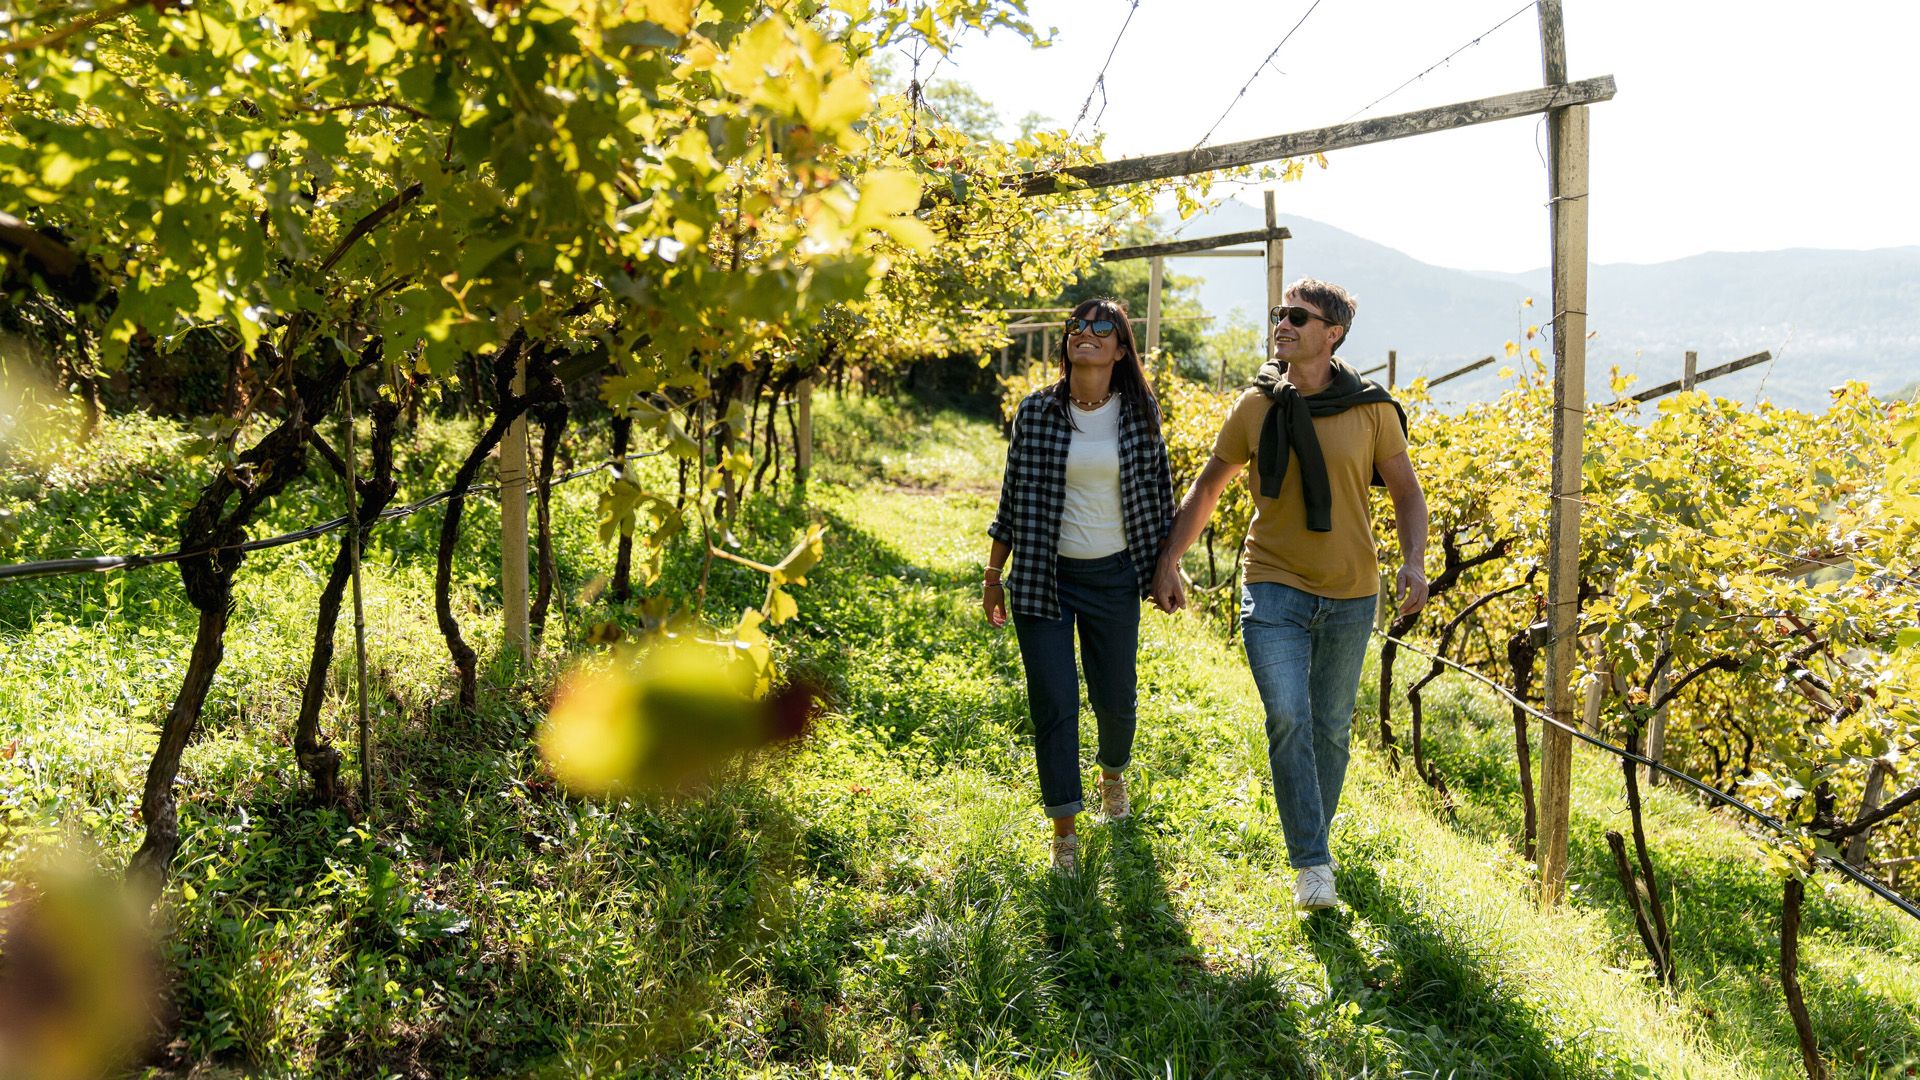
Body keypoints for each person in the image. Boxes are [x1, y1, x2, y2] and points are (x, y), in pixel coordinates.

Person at [1151, 278, 1428, 910]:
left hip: (1353, 592)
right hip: (1272, 582)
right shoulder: (1256, 405)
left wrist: (1414, 561)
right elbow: (1209, 486)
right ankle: (1312, 864)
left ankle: (1313, 845)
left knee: (1330, 728)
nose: (1284, 323)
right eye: (1281, 313)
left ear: (1332, 334)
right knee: (1289, 717)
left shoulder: (1372, 409)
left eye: (1299, 317)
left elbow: (1407, 492)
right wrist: (1171, 558)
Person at [984, 296, 1176, 872]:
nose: (1085, 333)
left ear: (1120, 349)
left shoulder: (1141, 413)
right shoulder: (1036, 412)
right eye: (1077, 326)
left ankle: (1111, 772)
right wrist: (995, 575)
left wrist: (1169, 566)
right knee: (1054, 703)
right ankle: (1064, 831)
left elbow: (1162, 498)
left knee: (1115, 700)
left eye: (1102, 327)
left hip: (1115, 575)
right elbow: (1011, 500)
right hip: (1044, 576)